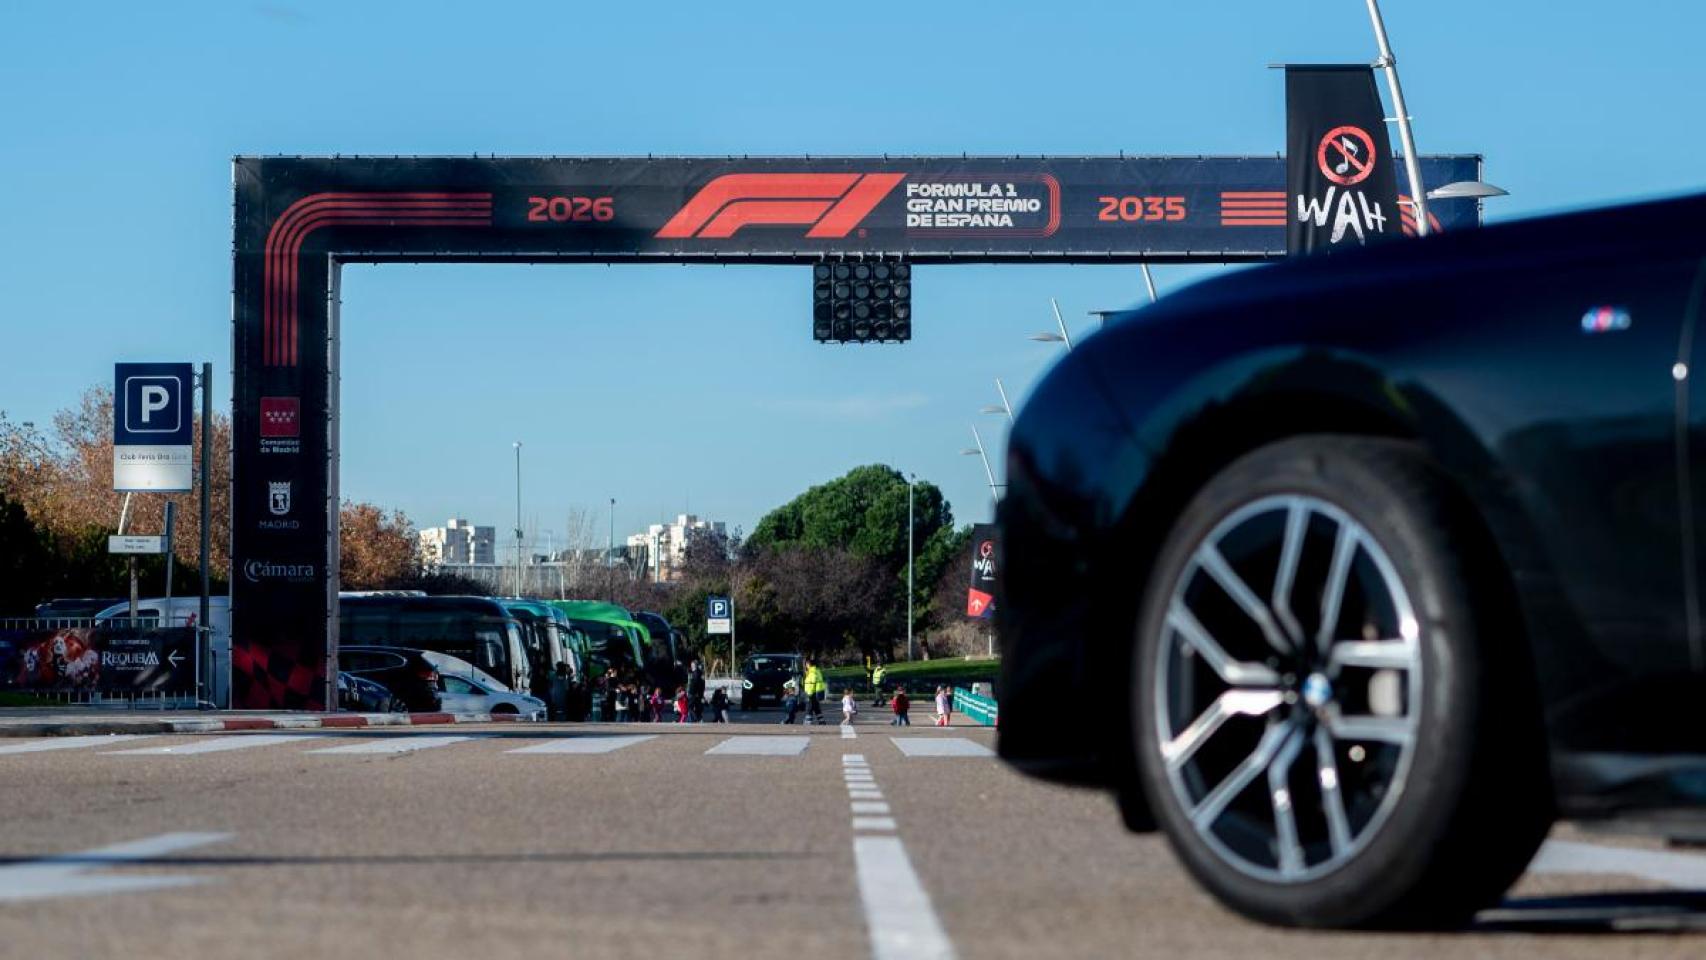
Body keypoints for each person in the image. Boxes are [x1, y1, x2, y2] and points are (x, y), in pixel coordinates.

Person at [803, 659, 826, 725]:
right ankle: (821, 721)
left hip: (812, 692)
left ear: (809, 664)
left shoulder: (812, 672)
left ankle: (808, 721)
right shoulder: (816, 671)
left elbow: (811, 683)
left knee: (809, 706)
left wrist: (809, 694)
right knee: (816, 707)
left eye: (806, 664)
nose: (806, 666)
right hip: (816, 692)